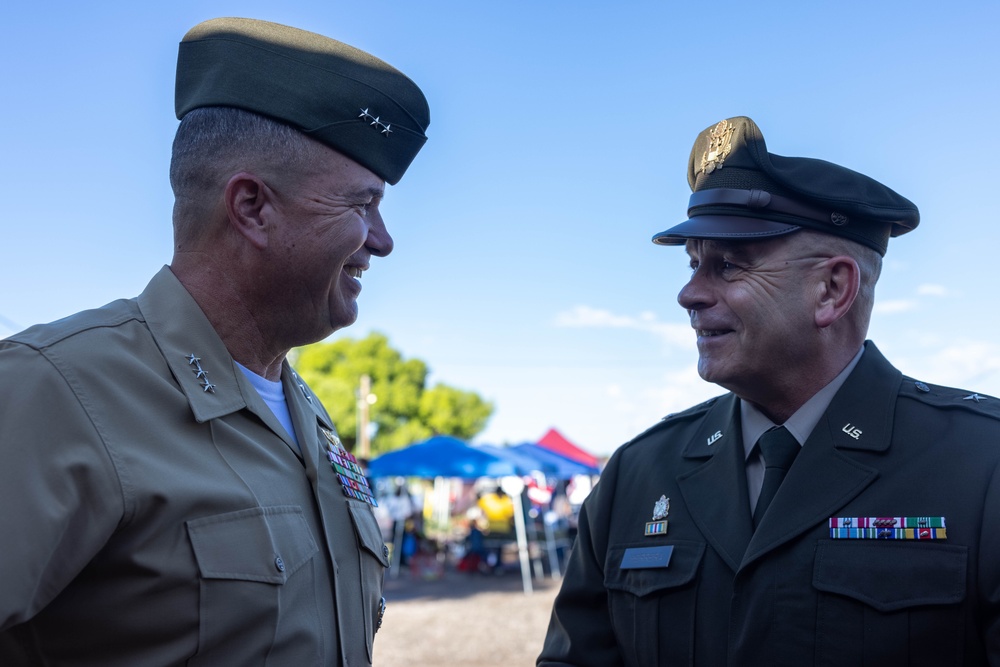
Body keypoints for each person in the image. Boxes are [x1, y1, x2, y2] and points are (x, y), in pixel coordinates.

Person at [0, 17, 429, 666]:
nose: (382, 239)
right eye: (361, 205)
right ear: (253, 207)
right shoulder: (56, 392)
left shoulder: (306, 416)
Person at [538, 116, 1000, 665]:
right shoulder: (638, 472)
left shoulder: (981, 465)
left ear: (832, 289)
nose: (689, 294)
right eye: (693, 264)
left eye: (728, 265)